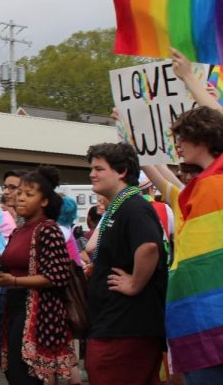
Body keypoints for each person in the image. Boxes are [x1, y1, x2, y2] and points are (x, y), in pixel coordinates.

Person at [85, 143, 167, 385]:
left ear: (121, 171)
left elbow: (149, 247)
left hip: (126, 329)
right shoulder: (121, 205)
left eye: (99, 168)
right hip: (116, 326)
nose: (92, 174)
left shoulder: (134, 206)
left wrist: (134, 284)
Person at [0, 166, 78, 385]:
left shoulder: (48, 229)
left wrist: (15, 281)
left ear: (44, 201)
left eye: (29, 195)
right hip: (14, 306)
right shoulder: (20, 230)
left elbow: (58, 276)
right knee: (17, 372)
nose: (20, 199)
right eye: (19, 194)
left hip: (39, 312)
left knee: (29, 375)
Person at [162, 106, 223, 382]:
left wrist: (188, 77)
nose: (178, 145)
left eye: (182, 138)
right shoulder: (194, 190)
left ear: (202, 137)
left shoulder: (216, 182)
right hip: (198, 319)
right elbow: (160, 178)